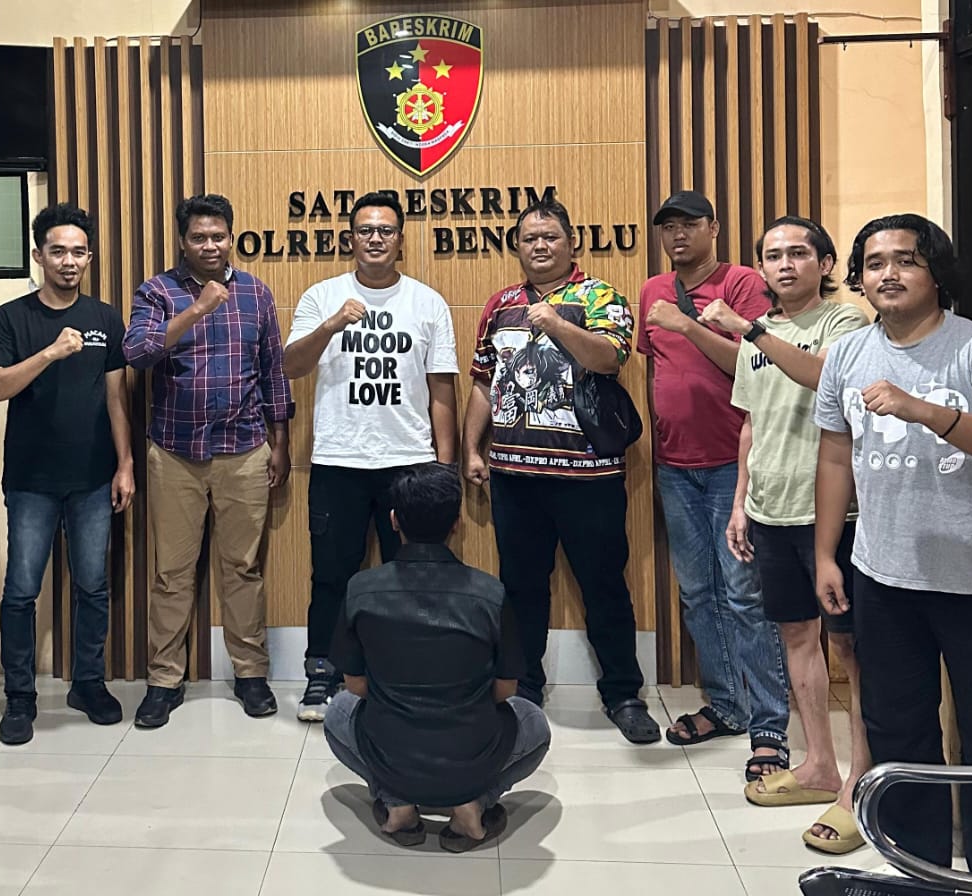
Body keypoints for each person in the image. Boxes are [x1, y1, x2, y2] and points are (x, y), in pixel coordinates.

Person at [814, 214, 972, 879]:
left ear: (936, 272)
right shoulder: (847, 354)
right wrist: (826, 554)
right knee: (897, 728)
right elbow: (834, 455)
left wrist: (922, 409)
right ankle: (919, 868)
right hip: (882, 573)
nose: (887, 274)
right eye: (874, 263)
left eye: (905, 260)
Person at [699, 215, 871, 854]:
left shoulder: (845, 322)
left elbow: (825, 376)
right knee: (796, 637)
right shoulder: (758, 335)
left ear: (825, 264)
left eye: (798, 253)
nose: (785, 265)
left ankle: (861, 782)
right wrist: (740, 504)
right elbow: (751, 424)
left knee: (851, 649)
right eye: (773, 256)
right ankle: (820, 763)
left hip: (833, 514)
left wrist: (751, 330)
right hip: (770, 509)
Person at [461, 198, 660, 744]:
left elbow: (609, 359)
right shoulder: (500, 304)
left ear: (573, 243)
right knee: (520, 588)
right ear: (517, 247)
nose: (540, 246)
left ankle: (623, 694)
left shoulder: (599, 297)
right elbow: (483, 381)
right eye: (529, 238)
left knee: (604, 587)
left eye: (550, 236)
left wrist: (554, 323)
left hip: (589, 478)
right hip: (513, 475)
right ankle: (523, 688)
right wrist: (471, 449)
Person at [283, 191, 459, 723]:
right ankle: (322, 673)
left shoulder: (428, 302)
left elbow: (442, 390)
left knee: (411, 577)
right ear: (351, 239)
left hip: (410, 462)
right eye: (365, 230)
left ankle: (403, 675)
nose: (375, 238)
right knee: (331, 574)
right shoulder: (322, 296)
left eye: (385, 230)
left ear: (401, 239)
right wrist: (331, 325)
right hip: (339, 460)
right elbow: (291, 366)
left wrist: (445, 468)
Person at [124, 193, 293, 727]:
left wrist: (281, 441)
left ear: (231, 237)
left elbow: (273, 371)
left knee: (242, 568)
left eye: (218, 236)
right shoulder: (157, 292)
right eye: (199, 237)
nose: (210, 245)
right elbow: (138, 353)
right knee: (172, 573)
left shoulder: (256, 293)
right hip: (176, 453)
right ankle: (163, 680)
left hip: (245, 449)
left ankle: (251, 673)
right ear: (183, 241)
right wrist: (197, 309)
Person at [638, 191, 790, 777]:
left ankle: (769, 723)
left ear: (714, 228)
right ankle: (728, 706)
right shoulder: (653, 289)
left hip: (733, 463)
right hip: (675, 466)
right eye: (668, 227)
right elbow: (658, 367)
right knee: (698, 593)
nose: (677, 235)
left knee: (744, 594)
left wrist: (685, 324)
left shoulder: (743, 283)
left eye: (689, 224)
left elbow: (751, 362)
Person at [324, 462, 551, 852]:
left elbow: (355, 685)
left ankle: (397, 804)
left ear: (393, 521)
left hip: (390, 752)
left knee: (337, 713)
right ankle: (473, 805)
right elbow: (506, 689)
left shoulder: (361, 589)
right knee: (534, 722)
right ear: (457, 525)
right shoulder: (490, 593)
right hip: (473, 754)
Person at [0, 203, 135, 746]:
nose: (69, 261)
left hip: (93, 476)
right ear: (38, 255)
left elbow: (116, 397)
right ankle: (20, 696)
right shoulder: (12, 318)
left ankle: (87, 683)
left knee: (93, 585)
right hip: (31, 479)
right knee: (21, 590)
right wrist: (49, 353)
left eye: (79, 252)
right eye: (58, 251)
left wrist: (125, 464)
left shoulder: (105, 318)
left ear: (89, 257)